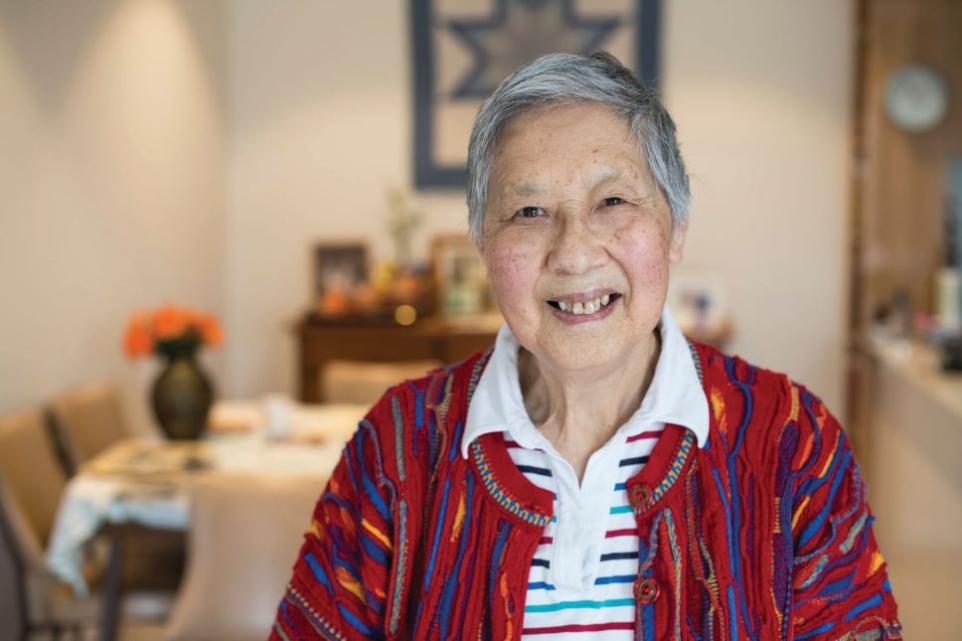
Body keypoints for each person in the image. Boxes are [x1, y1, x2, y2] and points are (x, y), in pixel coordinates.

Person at [269, 52, 901, 641]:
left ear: (674, 228)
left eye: (614, 201)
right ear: (483, 244)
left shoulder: (791, 438)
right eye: (529, 212)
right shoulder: (398, 446)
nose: (573, 252)